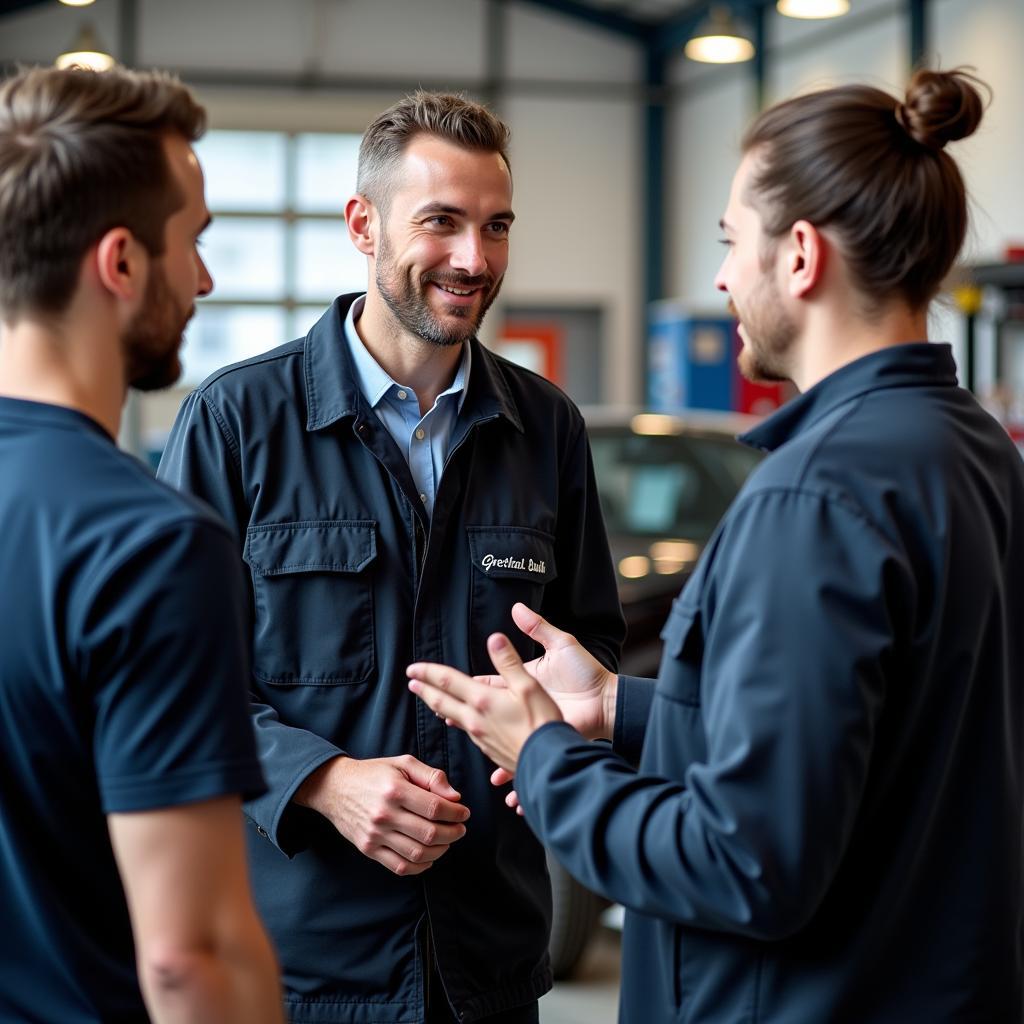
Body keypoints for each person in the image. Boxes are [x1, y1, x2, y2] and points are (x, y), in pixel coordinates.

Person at [407, 67, 1024, 1023]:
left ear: (803, 257)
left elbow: (743, 861)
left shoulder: (814, 499)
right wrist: (622, 710)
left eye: (734, 243)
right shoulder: (969, 448)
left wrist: (542, 758)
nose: (724, 277)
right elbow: (848, 756)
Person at [157, 90, 625, 1023]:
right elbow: (170, 685)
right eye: (442, 223)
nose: (475, 259)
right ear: (362, 226)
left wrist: (566, 735)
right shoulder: (238, 423)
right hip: (300, 971)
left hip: (487, 966)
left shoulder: (547, 430)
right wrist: (323, 782)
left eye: (496, 227)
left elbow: (588, 652)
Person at [0, 66, 284, 1024]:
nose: (203, 280)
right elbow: (188, 958)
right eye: (193, 243)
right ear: (120, 263)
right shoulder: (147, 547)